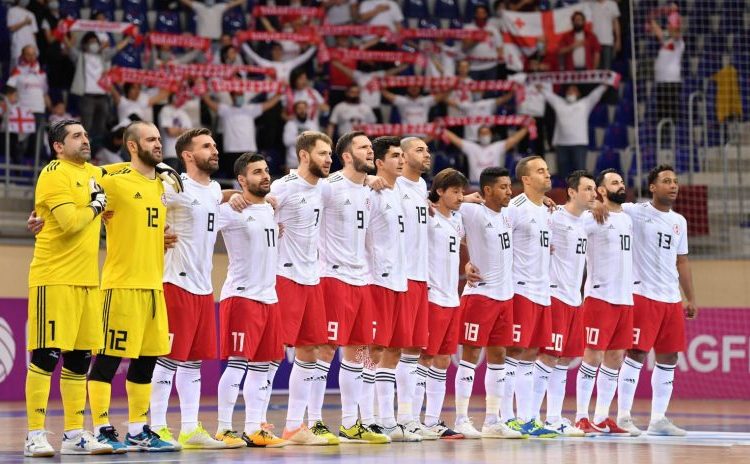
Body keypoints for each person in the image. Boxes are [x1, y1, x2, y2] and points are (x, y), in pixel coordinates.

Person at [87, 121, 182, 452]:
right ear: (132, 146)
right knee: (109, 359)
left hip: (154, 286)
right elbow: (79, 180)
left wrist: (159, 238)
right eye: (150, 139)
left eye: (159, 138)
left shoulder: (162, 184)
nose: (158, 143)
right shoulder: (114, 181)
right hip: (121, 286)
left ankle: (139, 430)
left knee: (147, 360)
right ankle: (101, 428)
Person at [24, 120, 114, 457]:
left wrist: (160, 167)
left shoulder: (94, 173)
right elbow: (71, 223)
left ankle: (74, 434)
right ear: (58, 146)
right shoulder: (54, 173)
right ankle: (34, 435)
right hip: (55, 277)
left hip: (88, 281)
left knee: (79, 361)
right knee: (45, 357)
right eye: (76, 136)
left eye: (86, 134)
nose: (85, 139)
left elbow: (126, 175)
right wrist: (96, 206)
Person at [147, 128, 240, 449]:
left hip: (203, 288)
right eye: (206, 146)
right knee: (168, 359)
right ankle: (157, 428)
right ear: (188, 155)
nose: (215, 150)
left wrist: (236, 195)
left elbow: (216, 196)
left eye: (214, 145)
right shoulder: (174, 186)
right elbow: (136, 209)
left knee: (193, 361)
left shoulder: (213, 189)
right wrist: (153, 235)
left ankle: (189, 429)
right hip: (176, 282)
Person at [315, 131, 389, 444]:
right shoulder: (328, 186)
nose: (370, 151)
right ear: (346, 156)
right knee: (325, 349)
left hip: (363, 280)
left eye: (370, 147)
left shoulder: (371, 189)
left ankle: (350, 424)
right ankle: (313, 423)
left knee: (360, 351)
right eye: (363, 147)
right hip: (333, 278)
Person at [615, 165, 696, 436]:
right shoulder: (635, 211)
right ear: (652, 187)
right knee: (636, 353)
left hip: (671, 299)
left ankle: (658, 419)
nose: (673, 185)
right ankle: (623, 416)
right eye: (666, 181)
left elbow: (682, 261)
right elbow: (606, 205)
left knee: (669, 356)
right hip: (643, 295)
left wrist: (690, 297)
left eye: (675, 181)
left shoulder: (679, 221)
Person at [214, 153, 287, 448]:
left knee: (263, 365)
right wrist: (228, 195)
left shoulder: (270, 208)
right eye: (257, 172)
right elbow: (200, 213)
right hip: (241, 296)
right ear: (242, 180)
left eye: (266, 170)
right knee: (237, 364)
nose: (265, 175)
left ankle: (255, 428)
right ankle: (223, 428)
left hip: (269, 297)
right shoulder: (232, 210)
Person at [270, 132, 335, 446]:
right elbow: (256, 209)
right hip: (284, 276)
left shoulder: (325, 187)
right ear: (304, 155)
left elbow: (355, 185)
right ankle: (254, 424)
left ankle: (294, 427)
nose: (328, 159)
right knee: (271, 352)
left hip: (313, 279)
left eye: (330, 154)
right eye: (323, 153)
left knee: (310, 350)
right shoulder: (283, 186)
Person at [453, 167, 524, 440]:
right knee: (470, 356)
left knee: (499, 357)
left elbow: (533, 206)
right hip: (480, 296)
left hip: (506, 297)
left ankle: (493, 420)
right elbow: (440, 207)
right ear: (487, 190)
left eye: (509, 186)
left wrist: (547, 201)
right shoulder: (473, 212)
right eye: (503, 187)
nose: (509, 192)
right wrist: (463, 198)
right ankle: (461, 419)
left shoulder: (510, 213)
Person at [366, 136, 421, 442]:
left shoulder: (403, 191)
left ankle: (387, 420)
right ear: (379, 162)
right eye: (395, 156)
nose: (401, 160)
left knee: (395, 351)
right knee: (372, 350)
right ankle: (366, 418)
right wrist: (367, 180)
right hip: (376, 280)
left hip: (400, 281)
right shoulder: (370, 190)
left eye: (402, 155)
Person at [533, 170, 596, 436]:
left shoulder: (587, 221)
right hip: (555, 295)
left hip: (574, 298)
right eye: (588, 189)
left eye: (595, 189)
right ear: (571, 192)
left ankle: (554, 418)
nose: (593, 194)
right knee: (548, 355)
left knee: (565, 358)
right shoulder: (553, 216)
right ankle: (530, 417)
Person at [574, 168, 633, 436]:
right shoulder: (591, 217)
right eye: (614, 182)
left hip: (625, 299)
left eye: (621, 181)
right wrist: (592, 205)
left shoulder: (628, 217)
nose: (621, 185)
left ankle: (602, 417)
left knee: (616, 358)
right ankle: (581, 417)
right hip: (600, 297)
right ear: (601, 190)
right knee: (593, 355)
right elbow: (567, 221)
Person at [502, 155, 558, 438]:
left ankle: (527, 419)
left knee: (532, 354)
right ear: (525, 179)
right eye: (540, 171)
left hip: (542, 291)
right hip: (520, 289)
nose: (547, 174)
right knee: (513, 352)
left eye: (547, 170)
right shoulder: (514, 208)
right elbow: (494, 238)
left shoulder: (548, 210)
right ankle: (505, 417)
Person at [393, 137, 441, 440]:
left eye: (427, 150)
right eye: (419, 150)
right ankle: (382, 418)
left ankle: (406, 417)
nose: (427, 154)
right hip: (399, 277)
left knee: (413, 350)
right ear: (402, 155)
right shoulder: (392, 184)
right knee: (383, 350)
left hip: (421, 278)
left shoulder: (421, 186)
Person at [419, 169, 467, 440]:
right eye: (455, 192)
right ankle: (411, 420)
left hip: (451, 298)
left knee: (443, 360)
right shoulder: (426, 216)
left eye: (462, 192)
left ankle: (432, 421)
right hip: (432, 297)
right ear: (439, 191)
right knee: (425, 357)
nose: (460, 197)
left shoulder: (457, 220)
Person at [201, 90, 281, 178]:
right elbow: (208, 101)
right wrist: (201, 89)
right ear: (232, 97)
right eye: (237, 95)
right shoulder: (225, 110)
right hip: (231, 150)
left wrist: (280, 92)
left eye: (241, 95)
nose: (240, 97)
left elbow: (269, 104)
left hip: (249, 149)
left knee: (250, 177)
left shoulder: (250, 109)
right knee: (234, 177)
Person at [540, 84, 607, 178]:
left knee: (580, 173)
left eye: (573, 90)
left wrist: (605, 85)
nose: (571, 92)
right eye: (569, 90)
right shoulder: (559, 103)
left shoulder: (585, 103)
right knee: (562, 174)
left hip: (579, 144)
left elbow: (595, 95)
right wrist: (540, 87)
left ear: (578, 93)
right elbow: (549, 96)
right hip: (561, 144)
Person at [442, 126, 528, 184]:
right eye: (482, 133)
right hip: (475, 186)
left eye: (486, 133)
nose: (484, 135)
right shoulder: (471, 147)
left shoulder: (497, 146)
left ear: (491, 135)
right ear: (478, 136)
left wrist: (527, 128)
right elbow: (456, 140)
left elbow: (514, 140)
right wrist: (442, 129)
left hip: (495, 185)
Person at [651, 10, 684, 124]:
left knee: (671, 114)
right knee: (661, 114)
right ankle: (663, 133)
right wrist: (658, 14)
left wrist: (675, 18)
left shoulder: (679, 41)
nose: (667, 26)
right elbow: (657, 29)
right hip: (661, 81)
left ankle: (672, 133)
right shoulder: (667, 38)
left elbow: (676, 34)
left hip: (672, 82)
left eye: (669, 24)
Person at [178, 0, 245, 40]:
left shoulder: (219, 7)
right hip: (202, 41)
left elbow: (236, 3)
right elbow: (186, 1)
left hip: (216, 41)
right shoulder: (199, 7)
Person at [283, 101, 321, 170]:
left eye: (304, 108)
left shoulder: (312, 124)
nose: (302, 111)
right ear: (295, 111)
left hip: (310, 161)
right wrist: (305, 137)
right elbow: (286, 141)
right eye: (299, 108)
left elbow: (317, 141)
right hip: (292, 162)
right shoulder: (290, 124)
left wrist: (299, 137)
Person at [590, 0, 621, 70]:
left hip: (608, 41)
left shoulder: (612, 4)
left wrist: (618, 40)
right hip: (594, 42)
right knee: (595, 68)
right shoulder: (591, 5)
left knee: (607, 68)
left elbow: (616, 23)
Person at [7, 0, 38, 65]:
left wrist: (35, 46)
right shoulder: (12, 11)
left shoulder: (31, 14)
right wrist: (25, 22)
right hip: (18, 46)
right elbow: (11, 28)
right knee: (17, 66)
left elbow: (34, 33)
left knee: (32, 67)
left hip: (30, 46)